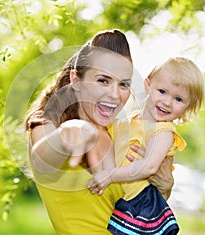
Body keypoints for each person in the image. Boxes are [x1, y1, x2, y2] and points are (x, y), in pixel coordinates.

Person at [24, 29, 175, 235]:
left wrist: (163, 188)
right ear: (76, 80)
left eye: (123, 84)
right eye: (103, 80)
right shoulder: (48, 124)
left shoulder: (120, 130)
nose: (114, 94)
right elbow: (42, 160)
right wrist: (69, 135)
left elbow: (135, 207)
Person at [87, 57, 205, 234]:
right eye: (162, 91)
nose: (167, 102)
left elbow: (149, 166)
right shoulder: (132, 120)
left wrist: (109, 175)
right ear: (147, 85)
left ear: (188, 107)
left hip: (141, 203)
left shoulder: (163, 131)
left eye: (178, 99)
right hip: (120, 196)